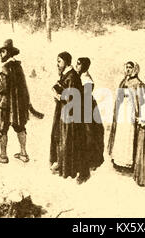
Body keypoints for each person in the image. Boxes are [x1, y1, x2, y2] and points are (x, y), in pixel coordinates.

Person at [0, 39, 31, 164]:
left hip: (6, 103)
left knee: (2, 128)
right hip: (17, 104)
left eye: (2, 52)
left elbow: (3, 88)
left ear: (7, 52)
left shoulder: (5, 67)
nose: (1, 55)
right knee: (20, 127)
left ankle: (3, 156)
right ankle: (23, 153)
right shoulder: (18, 66)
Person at [50, 52, 88, 184]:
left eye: (59, 61)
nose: (57, 64)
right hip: (63, 110)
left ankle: (70, 168)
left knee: (68, 139)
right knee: (60, 137)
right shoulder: (66, 74)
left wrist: (58, 96)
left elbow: (71, 96)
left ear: (66, 62)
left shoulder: (71, 76)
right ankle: (61, 163)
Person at [107, 61, 144, 171]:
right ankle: (119, 160)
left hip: (131, 110)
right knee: (121, 134)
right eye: (126, 67)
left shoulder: (138, 83)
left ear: (134, 69)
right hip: (123, 109)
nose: (128, 69)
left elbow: (140, 100)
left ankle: (128, 162)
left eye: (130, 67)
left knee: (129, 134)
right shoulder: (124, 81)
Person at [76, 57, 105, 171]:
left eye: (79, 64)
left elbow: (86, 96)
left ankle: (91, 161)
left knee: (89, 134)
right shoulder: (80, 76)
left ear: (84, 66)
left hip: (87, 108)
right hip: (83, 106)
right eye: (77, 64)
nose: (77, 66)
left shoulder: (86, 79)